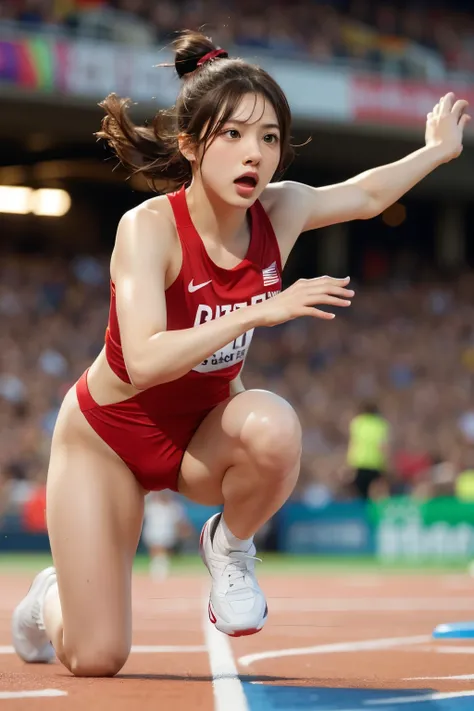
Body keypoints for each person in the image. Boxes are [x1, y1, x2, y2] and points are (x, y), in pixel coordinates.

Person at [11, 30, 469, 678]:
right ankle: (49, 597)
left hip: (200, 437)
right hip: (107, 441)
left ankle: (230, 544)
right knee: (97, 655)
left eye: (270, 137)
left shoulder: (279, 213)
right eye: (232, 135)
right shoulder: (148, 228)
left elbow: (366, 195)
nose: (254, 153)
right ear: (192, 144)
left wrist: (434, 151)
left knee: (276, 424)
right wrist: (258, 307)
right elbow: (142, 361)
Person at [141, 491, 192, 580]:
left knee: (163, 551)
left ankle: (161, 567)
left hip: (167, 533)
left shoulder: (174, 507)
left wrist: (182, 532)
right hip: (153, 532)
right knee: (156, 549)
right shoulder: (151, 506)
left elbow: (179, 522)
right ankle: (157, 567)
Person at [346, 401, 390, 499]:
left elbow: (353, 444)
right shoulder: (380, 424)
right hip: (375, 464)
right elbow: (383, 446)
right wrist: (386, 465)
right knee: (375, 494)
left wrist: (349, 464)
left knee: (361, 493)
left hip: (359, 463)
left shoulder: (357, 423)